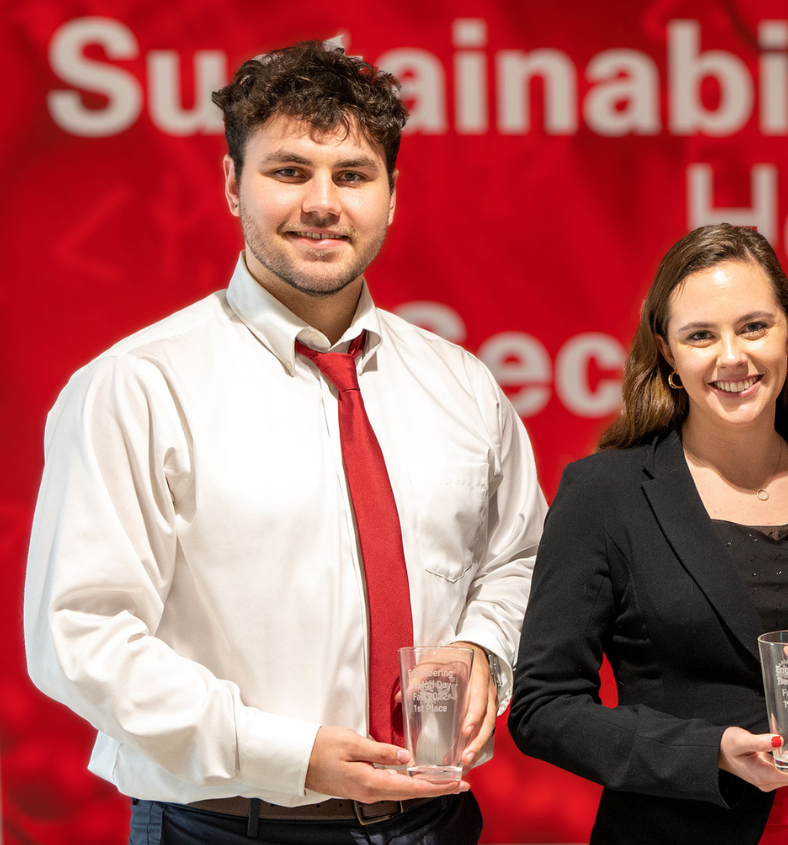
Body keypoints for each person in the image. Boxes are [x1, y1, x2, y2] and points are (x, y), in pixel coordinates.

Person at [24, 41, 546, 844]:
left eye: (353, 175)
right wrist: (289, 754)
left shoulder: (462, 385)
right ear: (233, 186)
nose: (323, 202)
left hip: (433, 823)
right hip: (223, 827)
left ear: (393, 195)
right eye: (290, 171)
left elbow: (519, 558)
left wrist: (483, 646)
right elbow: (83, 637)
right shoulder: (138, 386)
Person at [508, 223, 788, 844]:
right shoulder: (605, 493)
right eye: (701, 336)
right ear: (668, 353)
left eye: (753, 326)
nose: (732, 356)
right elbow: (542, 708)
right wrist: (707, 750)